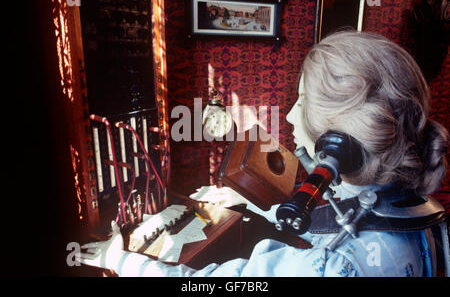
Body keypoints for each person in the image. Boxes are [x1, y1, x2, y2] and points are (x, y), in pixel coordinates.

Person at [77, 31, 448, 276]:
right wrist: (255, 203)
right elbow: (336, 221)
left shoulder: (328, 266)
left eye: (301, 100)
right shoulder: (418, 216)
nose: (288, 114)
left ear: (339, 143)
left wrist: (119, 259)